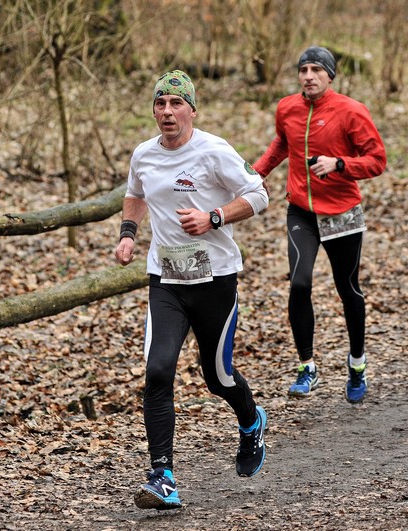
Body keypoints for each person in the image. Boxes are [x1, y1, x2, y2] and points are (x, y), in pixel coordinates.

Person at [115, 70, 269, 511]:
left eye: (175, 104)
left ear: (191, 110)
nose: (167, 112)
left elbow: (258, 195)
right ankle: (162, 476)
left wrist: (214, 217)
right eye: (160, 104)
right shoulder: (143, 154)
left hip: (215, 280)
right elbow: (135, 193)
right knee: (158, 371)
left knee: (218, 378)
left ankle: (250, 418)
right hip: (165, 280)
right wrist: (128, 233)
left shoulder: (213, 150)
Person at [253, 46, 386, 403]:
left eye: (316, 69)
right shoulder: (287, 108)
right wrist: (256, 174)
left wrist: (340, 164)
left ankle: (357, 363)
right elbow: (283, 142)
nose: (308, 75)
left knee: (348, 289)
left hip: (342, 211)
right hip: (301, 211)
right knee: (299, 283)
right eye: (303, 69)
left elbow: (377, 160)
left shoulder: (351, 111)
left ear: (330, 75)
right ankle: (307, 366)